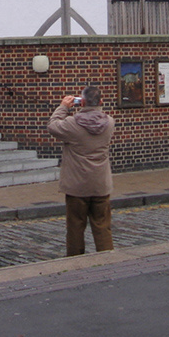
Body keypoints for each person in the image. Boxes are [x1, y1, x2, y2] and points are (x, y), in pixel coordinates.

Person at [47, 85, 116, 256]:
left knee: (75, 228)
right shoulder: (110, 122)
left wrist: (63, 107)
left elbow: (52, 126)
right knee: (102, 227)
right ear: (101, 101)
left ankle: (75, 262)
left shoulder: (71, 124)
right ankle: (107, 259)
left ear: (82, 102)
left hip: (76, 185)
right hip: (100, 184)